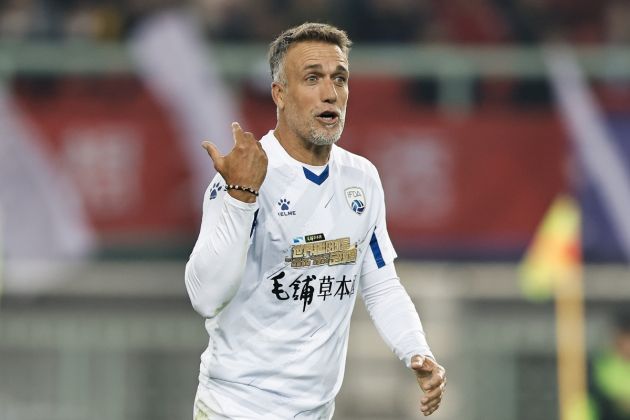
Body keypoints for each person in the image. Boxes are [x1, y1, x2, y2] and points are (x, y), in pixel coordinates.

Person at [185, 22, 446, 419]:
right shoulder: (246, 175)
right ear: (280, 94)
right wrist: (241, 200)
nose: (330, 93)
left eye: (339, 79)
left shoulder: (362, 178)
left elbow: (379, 284)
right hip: (235, 408)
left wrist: (416, 349)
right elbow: (205, 298)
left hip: (317, 412)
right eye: (312, 79)